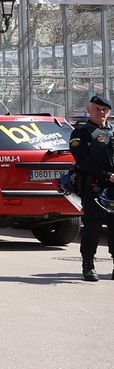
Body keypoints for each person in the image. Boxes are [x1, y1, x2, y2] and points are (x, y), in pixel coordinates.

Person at [70, 93, 114, 282]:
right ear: (89, 110)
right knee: (93, 226)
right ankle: (88, 265)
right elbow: (82, 160)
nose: (101, 112)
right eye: (97, 109)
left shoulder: (113, 132)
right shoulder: (81, 133)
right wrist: (106, 175)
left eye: (104, 110)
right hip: (94, 185)